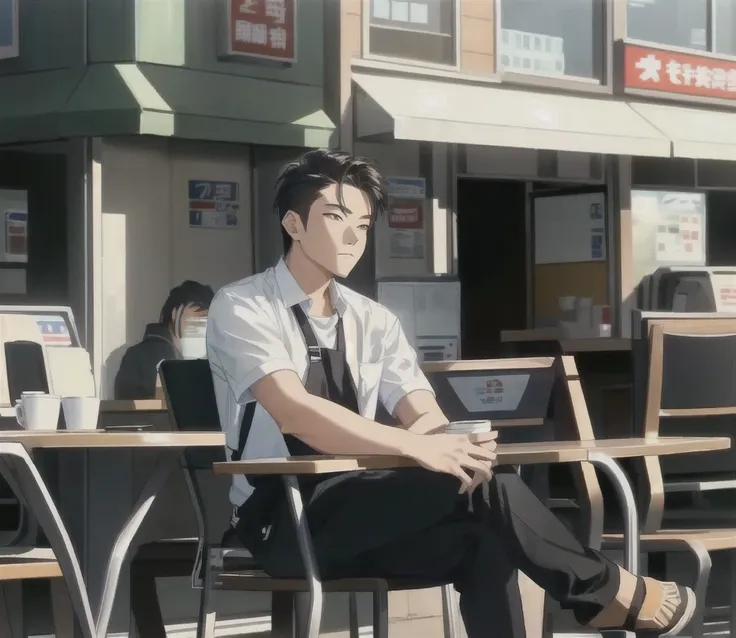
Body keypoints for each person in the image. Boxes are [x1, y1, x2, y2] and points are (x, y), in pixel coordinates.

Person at [206, 150, 695, 637]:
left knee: (485, 528)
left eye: (364, 223)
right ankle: (609, 593)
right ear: (294, 223)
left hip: (365, 504)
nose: (353, 237)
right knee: (491, 486)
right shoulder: (243, 305)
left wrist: (453, 444)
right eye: (335, 218)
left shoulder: (372, 319)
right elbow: (294, 411)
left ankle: (602, 596)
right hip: (283, 516)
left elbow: (423, 412)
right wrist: (419, 446)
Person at [115, 280, 214, 399]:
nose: (201, 328)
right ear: (175, 314)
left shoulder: (210, 360)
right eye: (197, 319)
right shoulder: (141, 356)